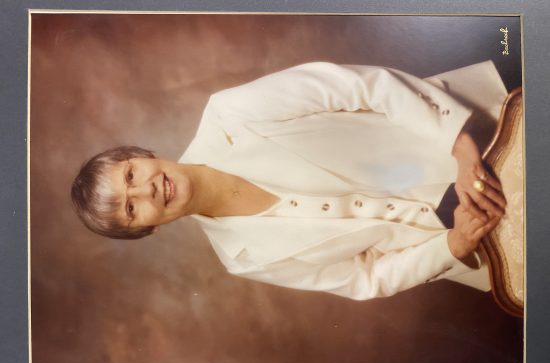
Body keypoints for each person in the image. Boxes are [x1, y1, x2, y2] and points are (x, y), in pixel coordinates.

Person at [71, 61, 509, 300]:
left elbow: (361, 87)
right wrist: (452, 246)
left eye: (131, 175)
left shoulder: (230, 114)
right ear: (148, 229)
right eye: (132, 208)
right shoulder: (243, 260)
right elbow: (365, 279)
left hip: (486, 134)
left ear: (141, 155)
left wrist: (459, 147)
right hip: (484, 244)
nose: (146, 190)